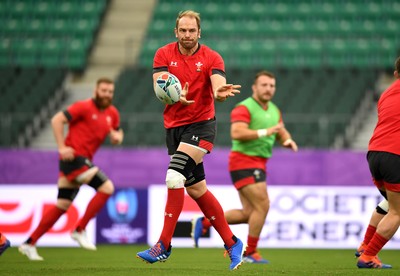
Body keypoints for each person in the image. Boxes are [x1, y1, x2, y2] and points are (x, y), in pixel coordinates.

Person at [136, 10, 244, 270]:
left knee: (174, 177)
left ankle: (163, 244)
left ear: (199, 32)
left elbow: (218, 82)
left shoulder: (211, 57)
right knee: (196, 189)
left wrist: (219, 90)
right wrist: (172, 95)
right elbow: (159, 84)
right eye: (182, 30)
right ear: (176, 32)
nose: (187, 35)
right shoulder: (163, 54)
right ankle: (232, 243)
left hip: (202, 125)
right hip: (174, 127)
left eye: (191, 31)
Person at [191, 70, 298, 263]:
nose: (268, 89)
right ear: (254, 87)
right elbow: (237, 133)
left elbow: (280, 129)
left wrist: (287, 139)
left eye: (272, 86)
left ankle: (206, 221)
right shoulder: (244, 107)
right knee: (263, 205)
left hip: (259, 162)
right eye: (264, 85)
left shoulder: (274, 109)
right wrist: (266, 132)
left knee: (250, 213)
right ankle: (250, 252)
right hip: (244, 161)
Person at [18, 78, 123, 261]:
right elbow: (57, 119)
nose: (107, 94)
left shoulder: (112, 113)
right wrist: (61, 147)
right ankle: (79, 229)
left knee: (62, 206)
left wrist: (117, 138)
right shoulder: (83, 106)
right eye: (104, 90)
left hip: (82, 161)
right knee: (107, 188)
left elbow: (118, 132)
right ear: (95, 90)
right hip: (73, 158)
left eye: (110, 91)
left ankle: (29, 243)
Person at [356, 56, 400, 269]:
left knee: (391, 203)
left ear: (395, 74)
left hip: (374, 153)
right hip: (395, 153)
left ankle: (365, 246)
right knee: (397, 211)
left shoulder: (386, 94)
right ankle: (368, 256)